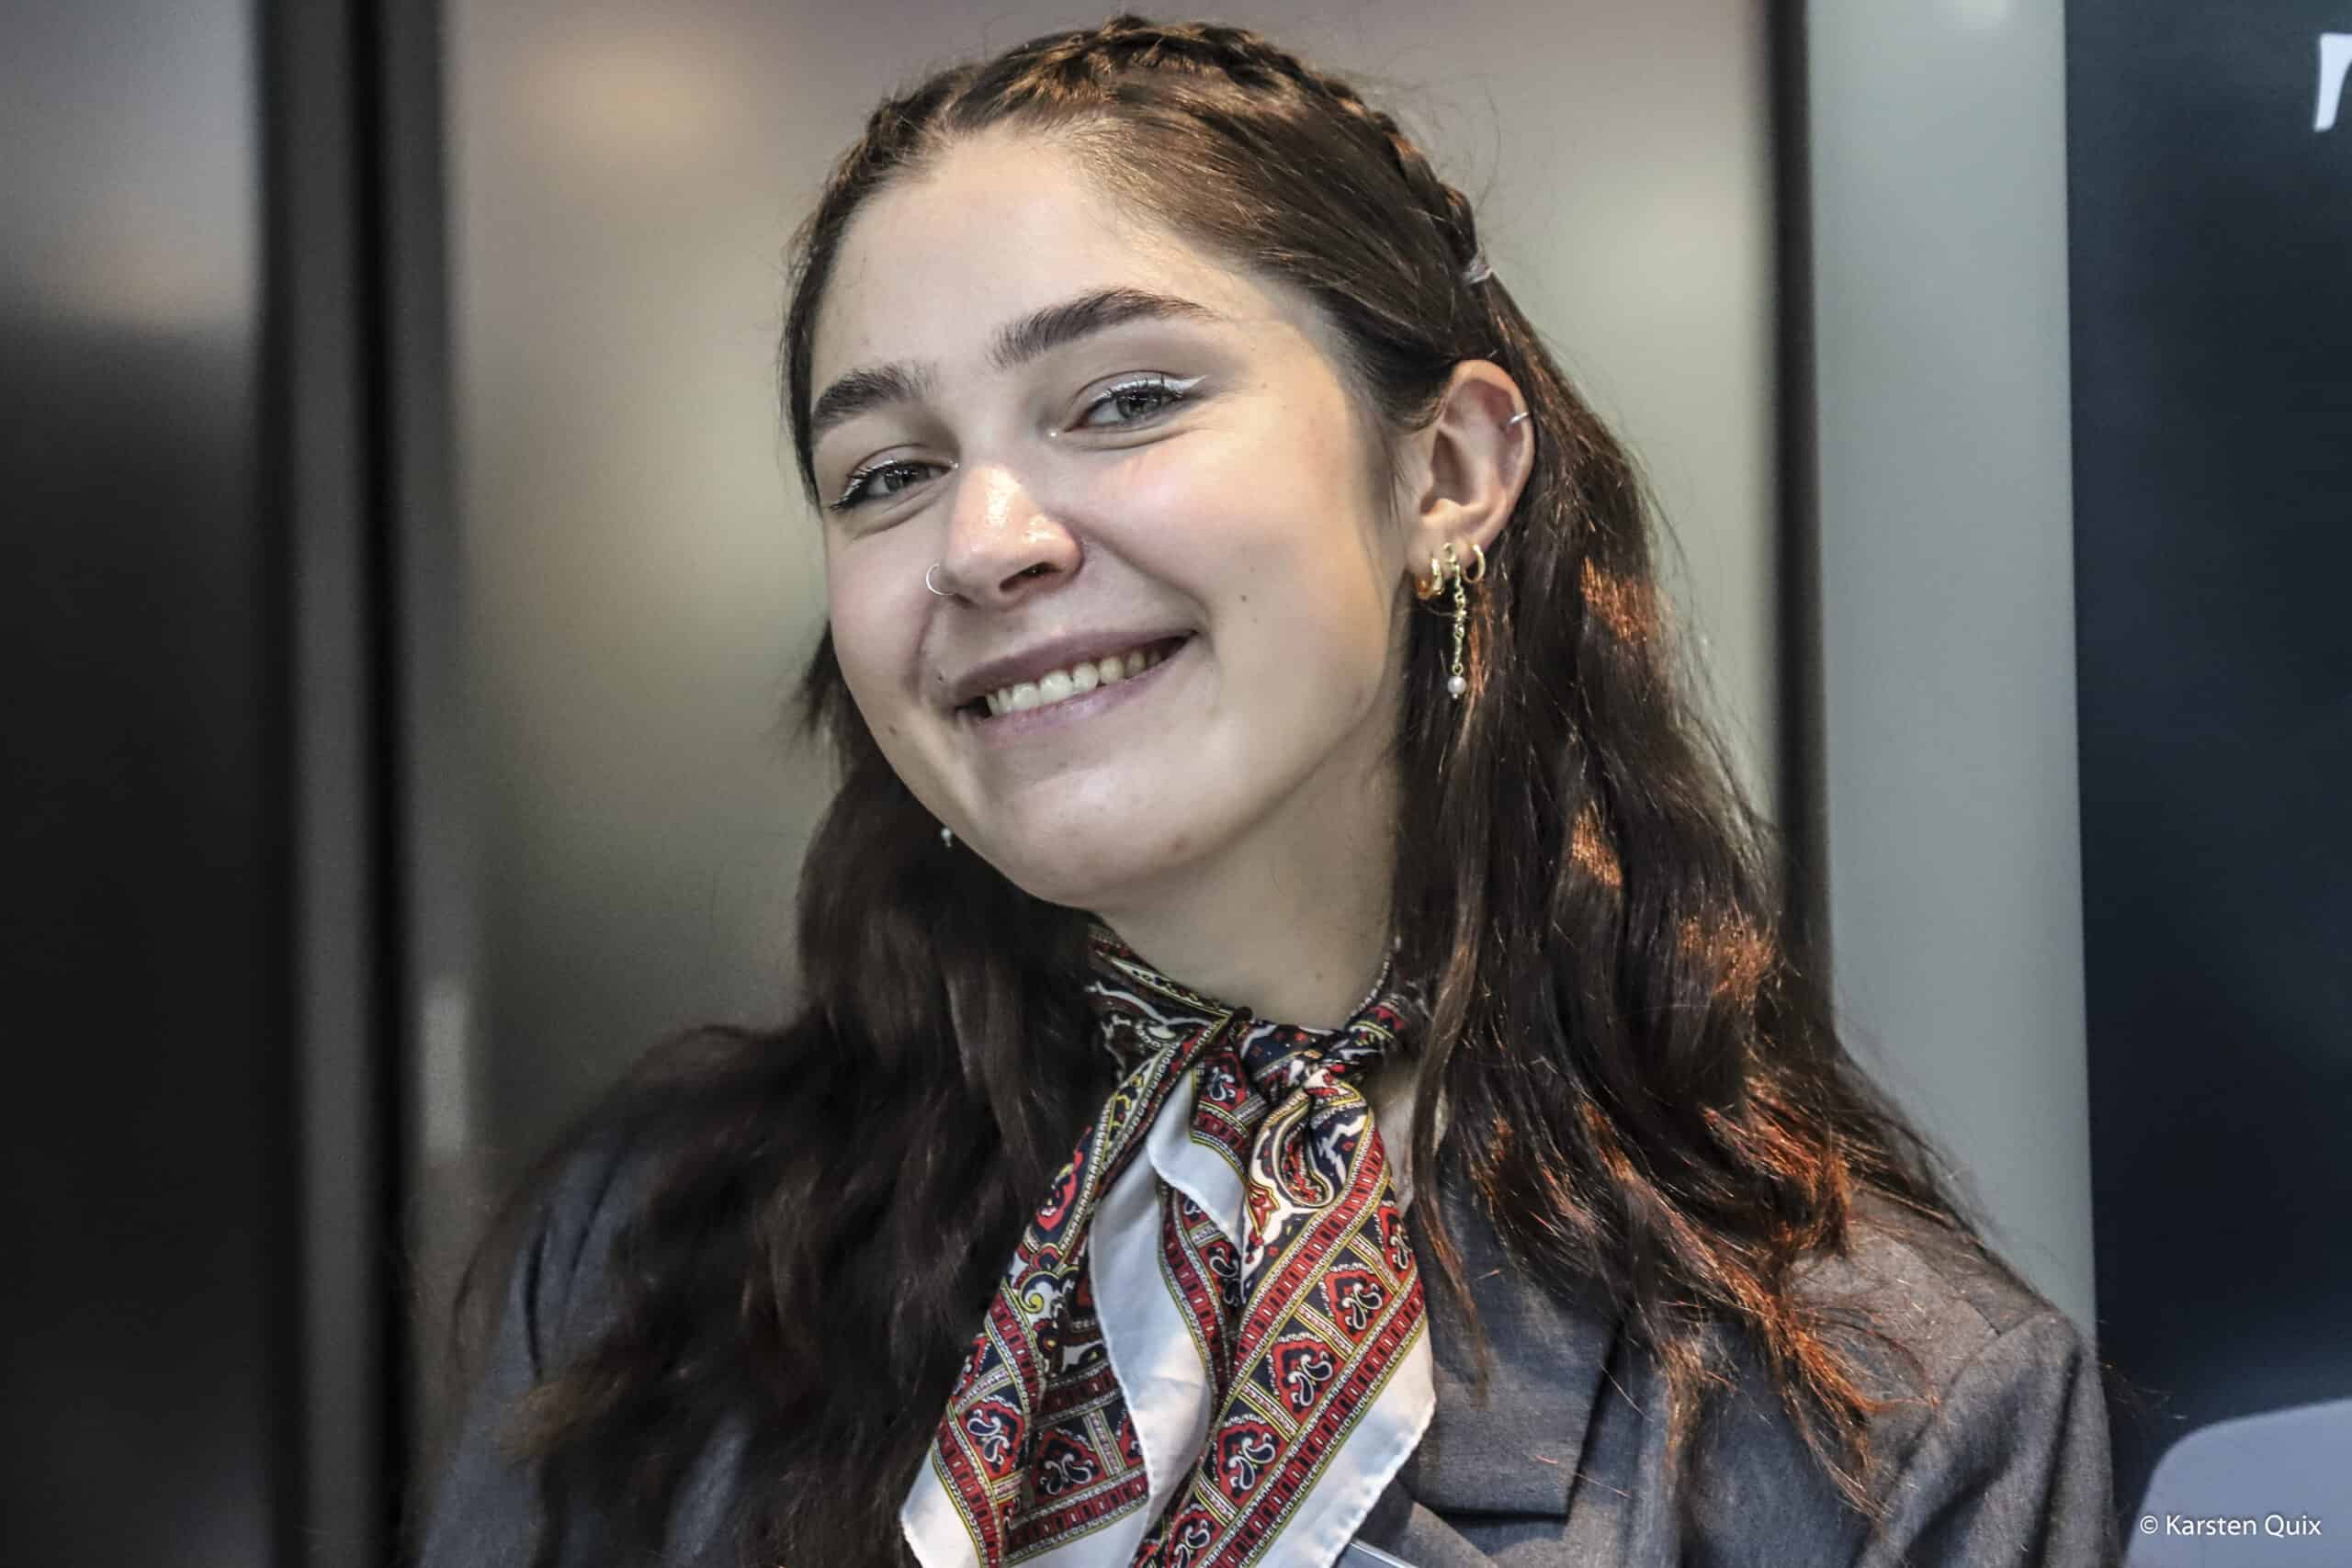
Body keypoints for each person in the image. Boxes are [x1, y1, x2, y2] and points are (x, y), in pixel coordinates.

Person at [414, 15, 2120, 1567]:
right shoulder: (654, 1258)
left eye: (1125, 399)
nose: (984, 541)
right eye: (886, 473)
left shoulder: (1882, 1412)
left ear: (1447, 470)